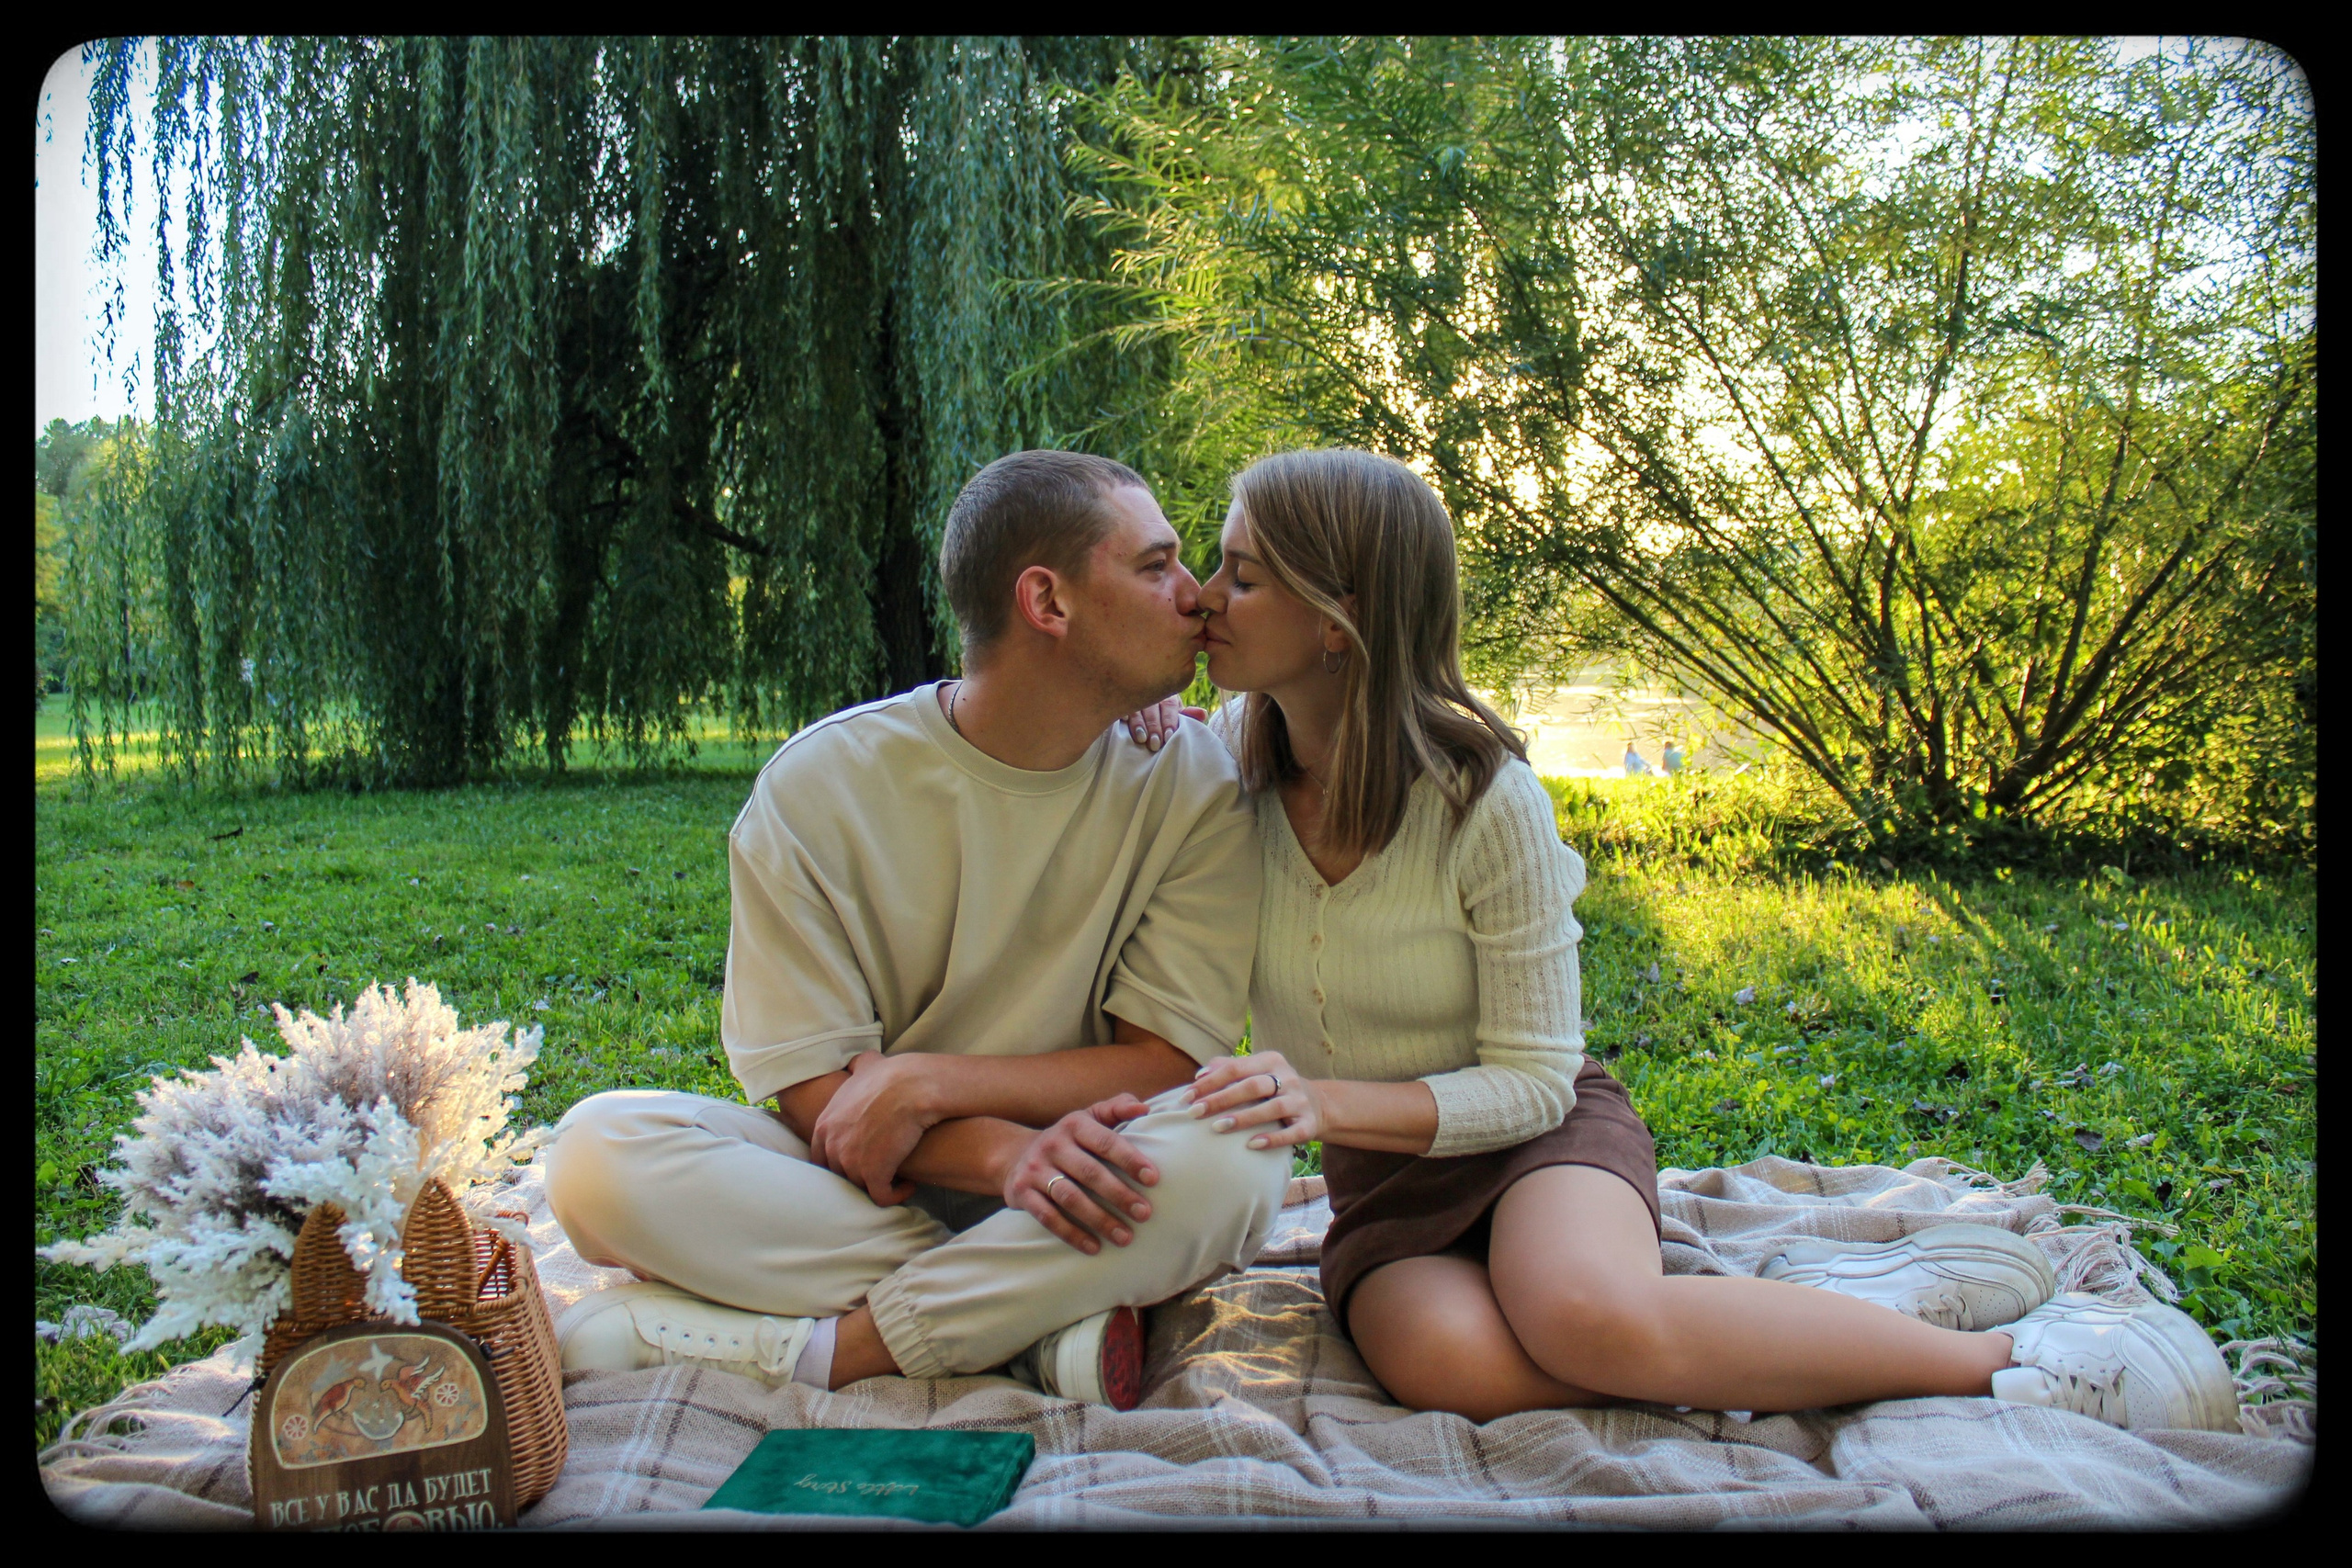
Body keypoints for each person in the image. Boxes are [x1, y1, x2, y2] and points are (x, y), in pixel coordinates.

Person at [1133, 447, 2236, 1431]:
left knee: (1584, 1321)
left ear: (1340, 616)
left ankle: (2008, 1362)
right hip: (1389, 1183)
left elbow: (1533, 1080)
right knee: (1450, 1370)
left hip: (1534, 1146)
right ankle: (1822, 1322)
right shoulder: (1220, 767)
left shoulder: (1483, 800)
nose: (1201, 598)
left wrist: (1323, 1103)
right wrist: (1124, 706)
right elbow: (1090, 754)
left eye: (1243, 572)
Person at [543, 450, 1289, 1410]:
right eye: (1155, 567)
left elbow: (1162, 1062)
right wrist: (1001, 1157)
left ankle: (828, 1354)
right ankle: (1039, 1317)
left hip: (1095, 1161)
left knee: (1242, 1154)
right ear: (1046, 603)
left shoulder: (1193, 781)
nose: (1193, 598)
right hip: (869, 1188)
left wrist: (929, 1079)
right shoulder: (820, 788)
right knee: (597, 1153)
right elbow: (819, 1095)